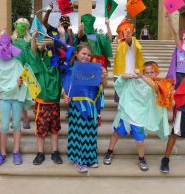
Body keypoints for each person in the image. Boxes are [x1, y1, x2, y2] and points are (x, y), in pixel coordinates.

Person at [103, 61, 170, 171]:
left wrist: (142, 76)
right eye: (146, 72)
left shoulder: (160, 84)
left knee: (139, 141)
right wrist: (129, 75)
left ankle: (142, 159)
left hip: (141, 118)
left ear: (157, 73)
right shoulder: (135, 80)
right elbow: (121, 79)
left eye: (152, 72)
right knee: (116, 134)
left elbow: (156, 88)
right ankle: (109, 152)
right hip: (127, 114)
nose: (149, 74)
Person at [0, 31, 31, 167]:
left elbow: (23, 78)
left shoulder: (16, 63)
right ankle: (2, 153)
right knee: (3, 126)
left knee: (16, 124)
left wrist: (21, 82)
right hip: (4, 98)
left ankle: (16, 151)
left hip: (16, 97)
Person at [16, 30, 64, 165]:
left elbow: (63, 47)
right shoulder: (39, 65)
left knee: (54, 129)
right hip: (42, 103)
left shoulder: (57, 67)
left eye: (52, 51)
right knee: (41, 130)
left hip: (54, 103)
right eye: (47, 51)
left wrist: (61, 34)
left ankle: (55, 152)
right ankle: (40, 152)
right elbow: (34, 52)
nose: (50, 53)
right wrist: (33, 38)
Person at [63, 43, 108, 172]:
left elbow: (103, 85)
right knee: (79, 133)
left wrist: (103, 77)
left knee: (91, 133)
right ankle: (79, 160)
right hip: (77, 107)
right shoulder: (70, 70)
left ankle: (91, 158)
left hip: (91, 105)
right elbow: (65, 88)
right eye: (83, 53)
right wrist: (65, 96)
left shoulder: (94, 69)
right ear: (76, 54)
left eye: (89, 54)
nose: (86, 56)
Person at [112, 18, 145, 103]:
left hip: (131, 76)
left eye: (126, 30)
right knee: (120, 103)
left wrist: (128, 35)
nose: (124, 33)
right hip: (120, 76)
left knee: (132, 102)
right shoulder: (120, 43)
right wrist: (121, 23)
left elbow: (129, 41)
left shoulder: (133, 41)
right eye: (123, 31)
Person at [12, 18, 33, 129]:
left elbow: (32, 55)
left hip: (25, 70)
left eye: (23, 25)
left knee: (23, 96)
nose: (21, 28)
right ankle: (21, 118)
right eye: (19, 25)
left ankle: (24, 118)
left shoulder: (29, 40)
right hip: (13, 70)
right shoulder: (12, 40)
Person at [165, 12, 185, 89]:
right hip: (179, 74)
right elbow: (175, 33)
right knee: (179, 93)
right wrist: (170, 19)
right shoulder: (179, 46)